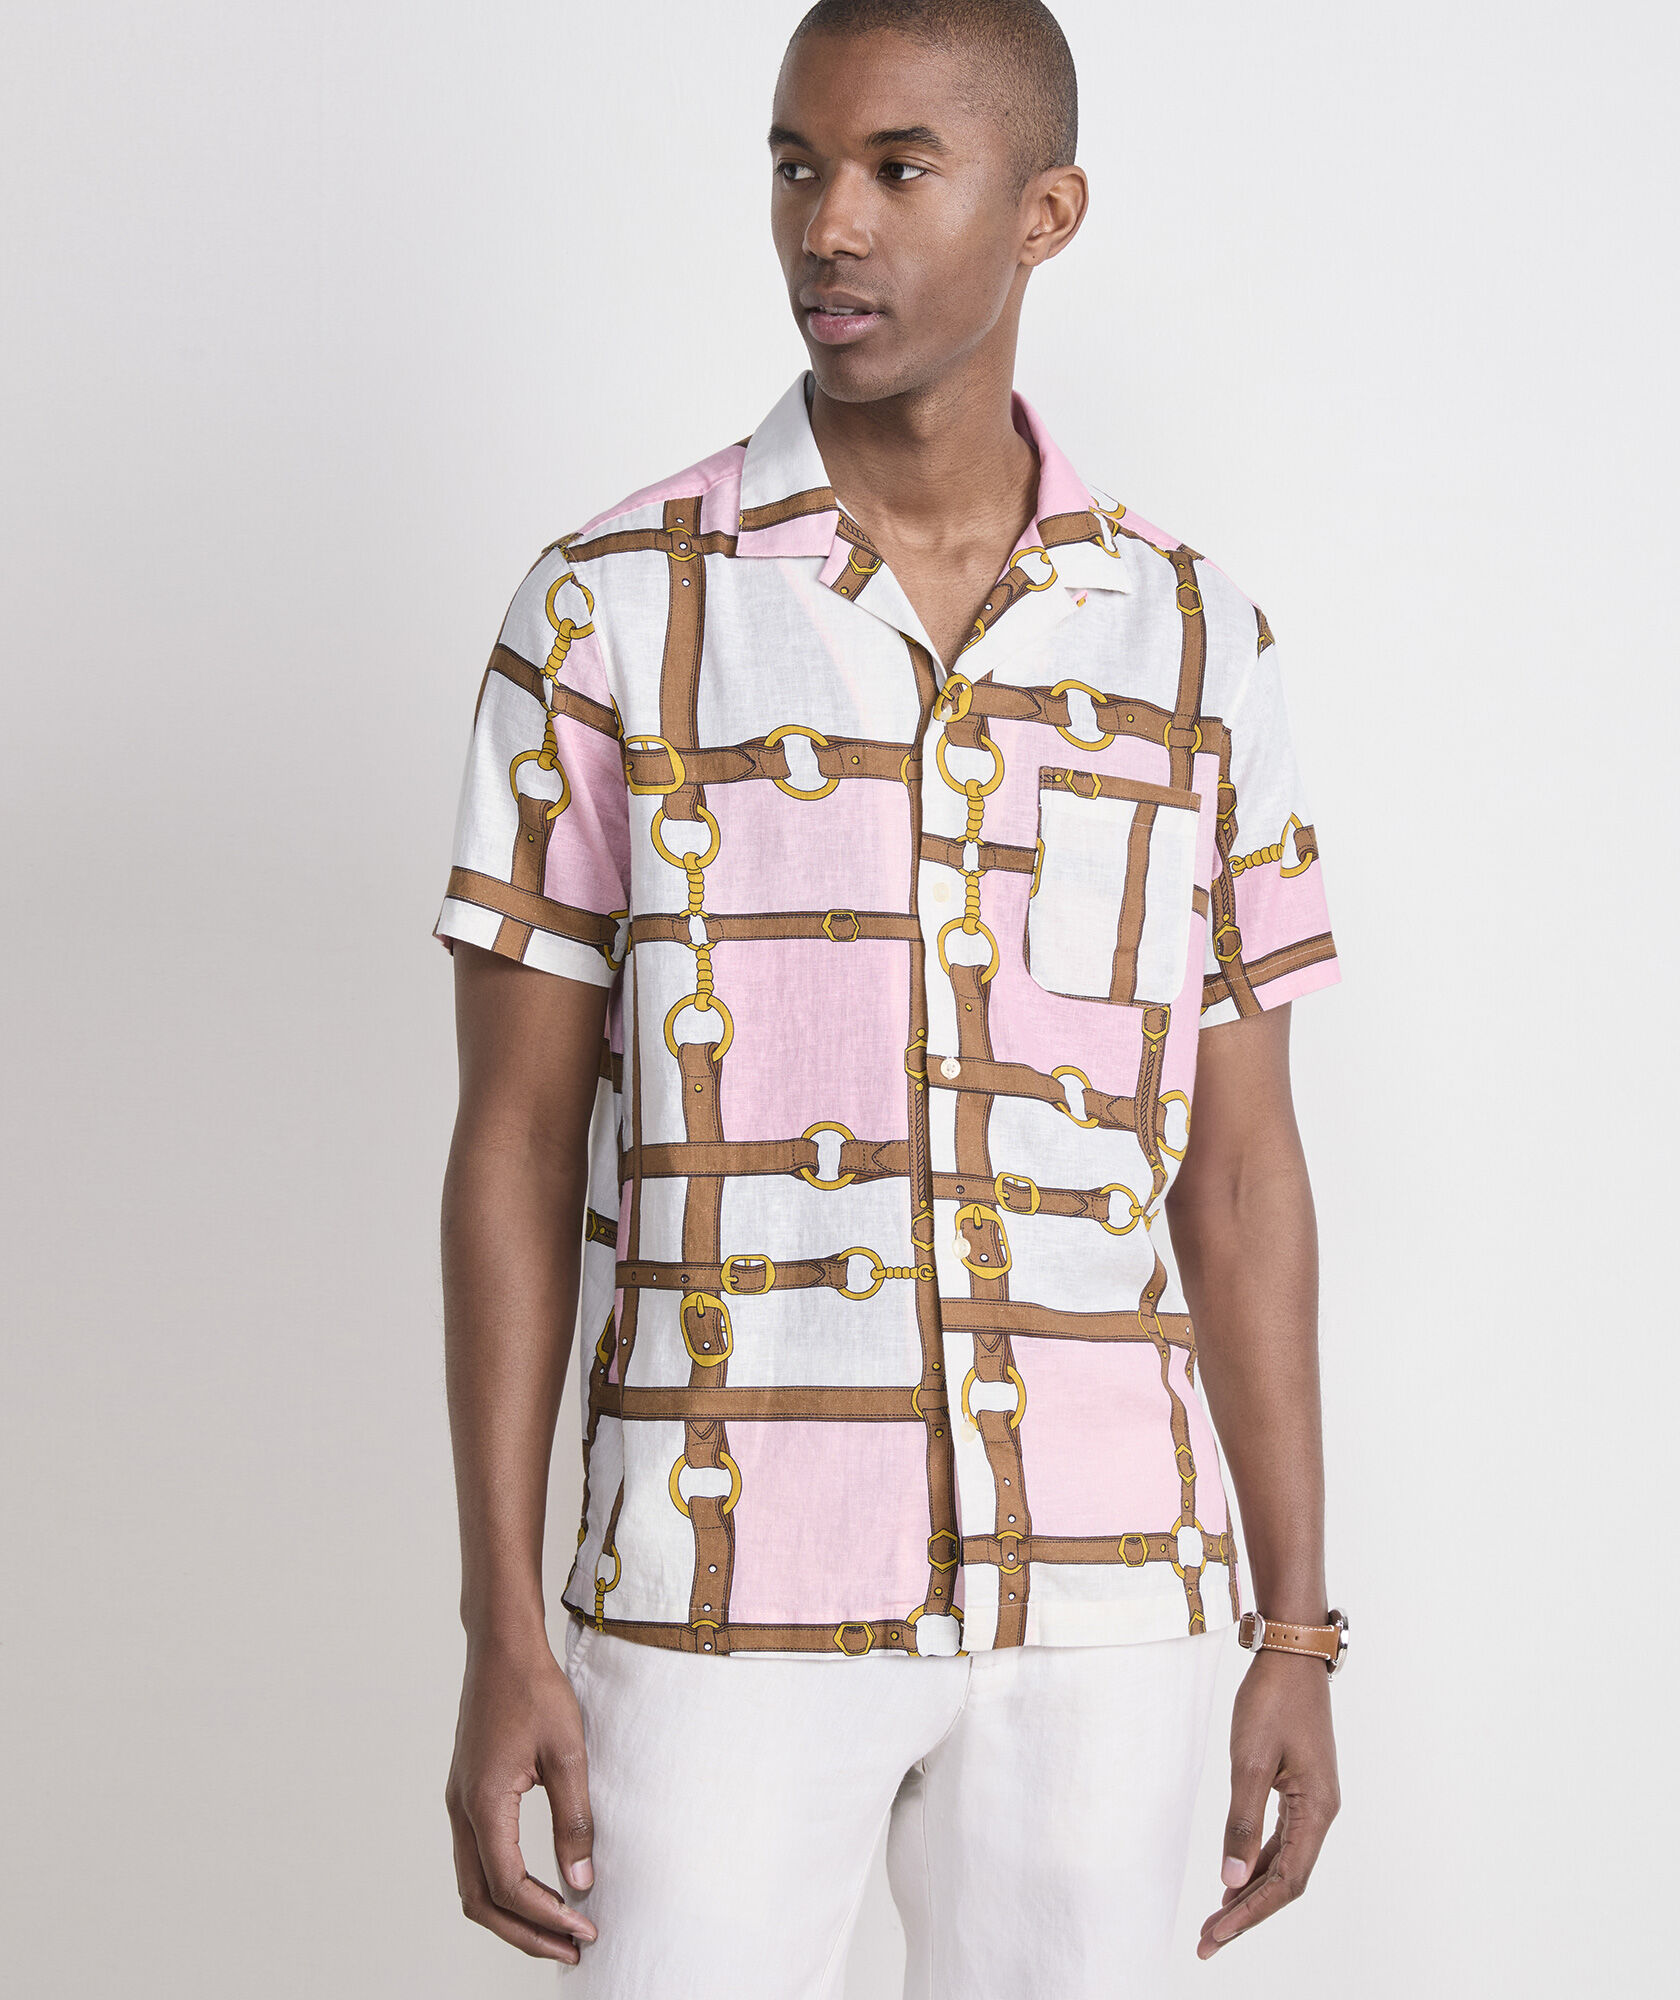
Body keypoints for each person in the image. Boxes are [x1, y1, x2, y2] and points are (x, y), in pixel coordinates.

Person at [433, 3, 1347, 1993]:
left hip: (1111, 1602)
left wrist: (1296, 1624)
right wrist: (504, 1621)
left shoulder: (1197, 642)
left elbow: (1242, 1173)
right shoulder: (610, 607)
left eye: (895, 169)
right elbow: (513, 1143)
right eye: (796, 164)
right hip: (718, 1591)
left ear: (1045, 212)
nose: (826, 223)